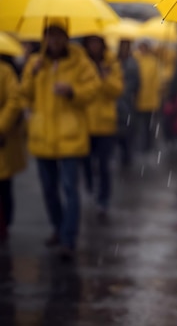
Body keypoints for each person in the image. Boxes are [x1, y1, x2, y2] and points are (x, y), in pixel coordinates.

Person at [20, 23, 100, 259]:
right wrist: (32, 74)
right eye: (49, 35)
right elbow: (24, 94)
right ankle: (58, 227)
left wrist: (72, 90)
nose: (53, 40)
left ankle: (68, 238)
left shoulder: (80, 60)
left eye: (58, 35)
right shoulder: (36, 61)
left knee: (69, 189)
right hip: (42, 137)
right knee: (48, 189)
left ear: (65, 37)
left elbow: (93, 89)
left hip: (70, 137)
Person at [82, 34, 123, 220]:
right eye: (91, 42)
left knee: (104, 165)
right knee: (87, 164)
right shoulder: (81, 63)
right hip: (85, 123)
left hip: (105, 124)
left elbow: (117, 90)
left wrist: (105, 78)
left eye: (97, 42)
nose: (94, 46)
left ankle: (103, 200)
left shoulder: (111, 63)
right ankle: (91, 190)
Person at [0, 54, 27, 242]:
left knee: (3, 186)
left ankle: (4, 226)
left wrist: (1, 127)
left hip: (3, 139)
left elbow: (15, 100)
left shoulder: (5, 71)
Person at [133, 37, 160, 153]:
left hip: (150, 99)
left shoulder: (153, 61)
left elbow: (157, 81)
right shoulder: (136, 60)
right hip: (137, 98)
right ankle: (140, 145)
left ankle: (148, 145)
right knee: (139, 125)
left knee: (148, 125)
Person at [116, 38, 140, 166]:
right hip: (117, 103)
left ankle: (127, 157)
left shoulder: (132, 63)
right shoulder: (115, 62)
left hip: (127, 102)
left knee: (127, 131)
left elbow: (137, 83)